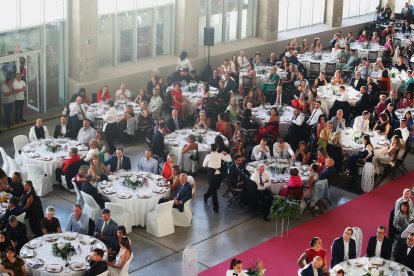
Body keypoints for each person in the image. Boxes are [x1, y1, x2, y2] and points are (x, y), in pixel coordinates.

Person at [203, 143, 232, 213]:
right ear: (217, 148)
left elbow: (204, 165)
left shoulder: (216, 155)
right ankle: (216, 207)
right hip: (211, 174)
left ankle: (206, 196)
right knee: (214, 191)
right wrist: (226, 153)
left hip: (218, 174)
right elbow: (230, 159)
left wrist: (224, 154)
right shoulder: (214, 155)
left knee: (216, 187)